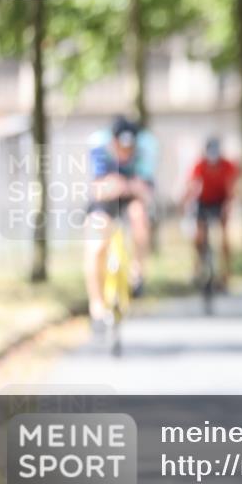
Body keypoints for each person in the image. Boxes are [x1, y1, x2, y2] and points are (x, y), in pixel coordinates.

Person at [83, 115, 158, 333]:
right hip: (105, 201)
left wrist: (123, 186)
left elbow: (145, 191)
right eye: (121, 146)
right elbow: (97, 188)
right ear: (113, 142)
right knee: (96, 245)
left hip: (130, 198)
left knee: (139, 216)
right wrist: (123, 186)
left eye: (130, 146)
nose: (126, 151)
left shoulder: (146, 150)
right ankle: (96, 307)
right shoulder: (99, 148)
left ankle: (137, 273)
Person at [182, 136, 239, 289]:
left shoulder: (227, 165)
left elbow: (233, 187)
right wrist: (186, 202)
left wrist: (229, 205)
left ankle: (226, 273)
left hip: (221, 201)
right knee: (199, 236)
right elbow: (192, 185)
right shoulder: (200, 165)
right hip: (204, 202)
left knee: (224, 238)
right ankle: (198, 266)